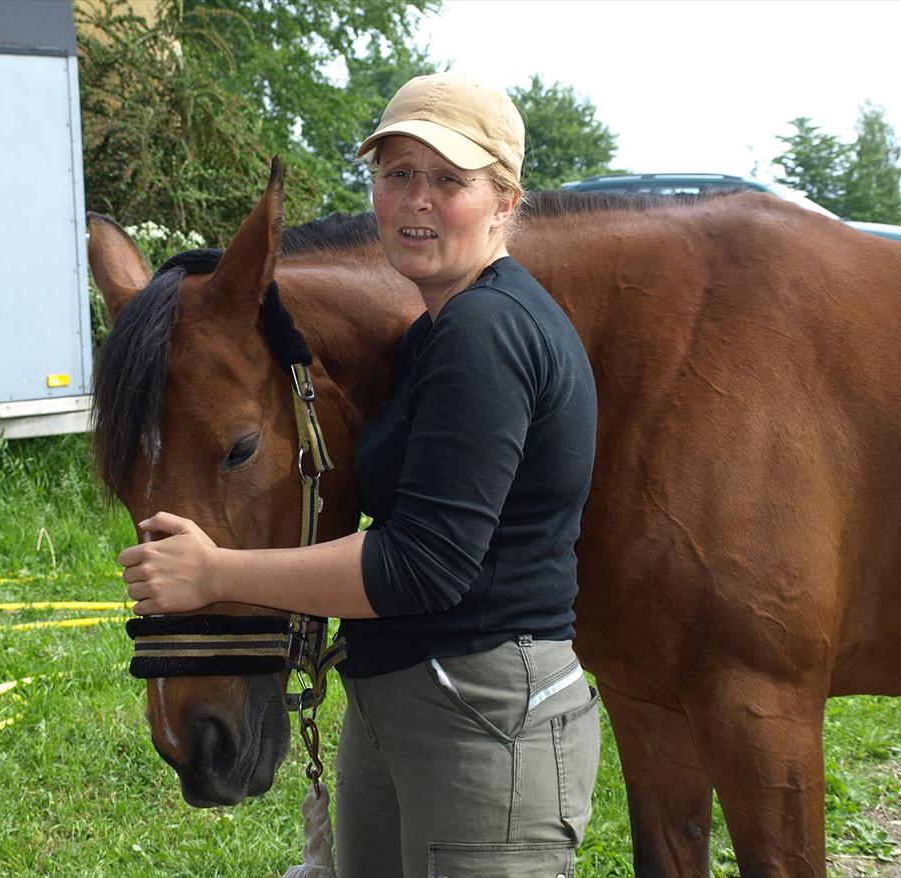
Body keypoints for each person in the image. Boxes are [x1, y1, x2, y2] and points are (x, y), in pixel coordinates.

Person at [118, 72, 599, 878]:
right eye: (396, 174)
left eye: (448, 180)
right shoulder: (434, 332)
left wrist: (217, 573)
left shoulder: (486, 333)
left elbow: (425, 563)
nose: (416, 200)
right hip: (404, 700)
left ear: (506, 201)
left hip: (483, 716)